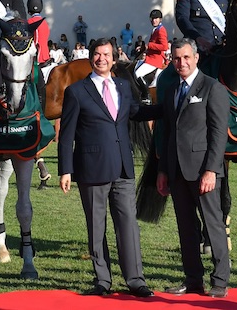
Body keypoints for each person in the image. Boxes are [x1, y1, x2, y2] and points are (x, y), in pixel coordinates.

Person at [58, 38, 154, 298]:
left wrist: (164, 109)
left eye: (106, 54)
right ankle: (102, 280)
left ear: (114, 58)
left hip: (123, 167)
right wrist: (65, 170)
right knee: (96, 226)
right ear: (91, 58)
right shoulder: (76, 91)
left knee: (128, 227)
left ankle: (135, 280)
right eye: (97, 54)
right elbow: (66, 136)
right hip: (92, 168)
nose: (102, 59)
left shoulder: (123, 86)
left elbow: (134, 112)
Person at [154, 38, 230, 298]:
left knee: (212, 224)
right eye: (176, 58)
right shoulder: (171, 90)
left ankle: (220, 281)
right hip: (176, 171)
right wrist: (163, 170)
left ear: (196, 58)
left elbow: (219, 134)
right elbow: (167, 134)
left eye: (186, 57)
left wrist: (211, 170)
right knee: (186, 228)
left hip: (203, 172)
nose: (181, 63)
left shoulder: (212, 88)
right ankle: (193, 279)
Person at [134, 10, 168, 93]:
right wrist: (142, 48)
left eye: (156, 18)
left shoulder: (161, 30)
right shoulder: (156, 29)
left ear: (160, 19)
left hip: (155, 60)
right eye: (152, 19)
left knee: (138, 73)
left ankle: (146, 95)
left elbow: (164, 46)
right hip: (151, 58)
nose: (153, 20)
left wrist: (149, 45)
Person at [27, 0, 50, 109]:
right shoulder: (45, 22)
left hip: (36, 59)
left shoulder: (30, 22)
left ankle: (38, 105)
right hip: (46, 56)